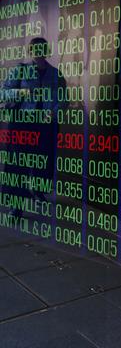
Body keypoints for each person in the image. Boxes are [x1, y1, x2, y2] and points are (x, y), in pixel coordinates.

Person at [0, 37, 66, 217]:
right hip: (22, 122)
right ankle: (16, 205)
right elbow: (4, 92)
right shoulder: (21, 70)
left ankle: (38, 190)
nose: (38, 52)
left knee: (43, 160)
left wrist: (54, 111)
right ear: (30, 51)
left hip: (45, 124)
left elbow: (63, 99)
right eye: (34, 49)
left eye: (41, 48)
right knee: (18, 163)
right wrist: (23, 92)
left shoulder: (56, 74)